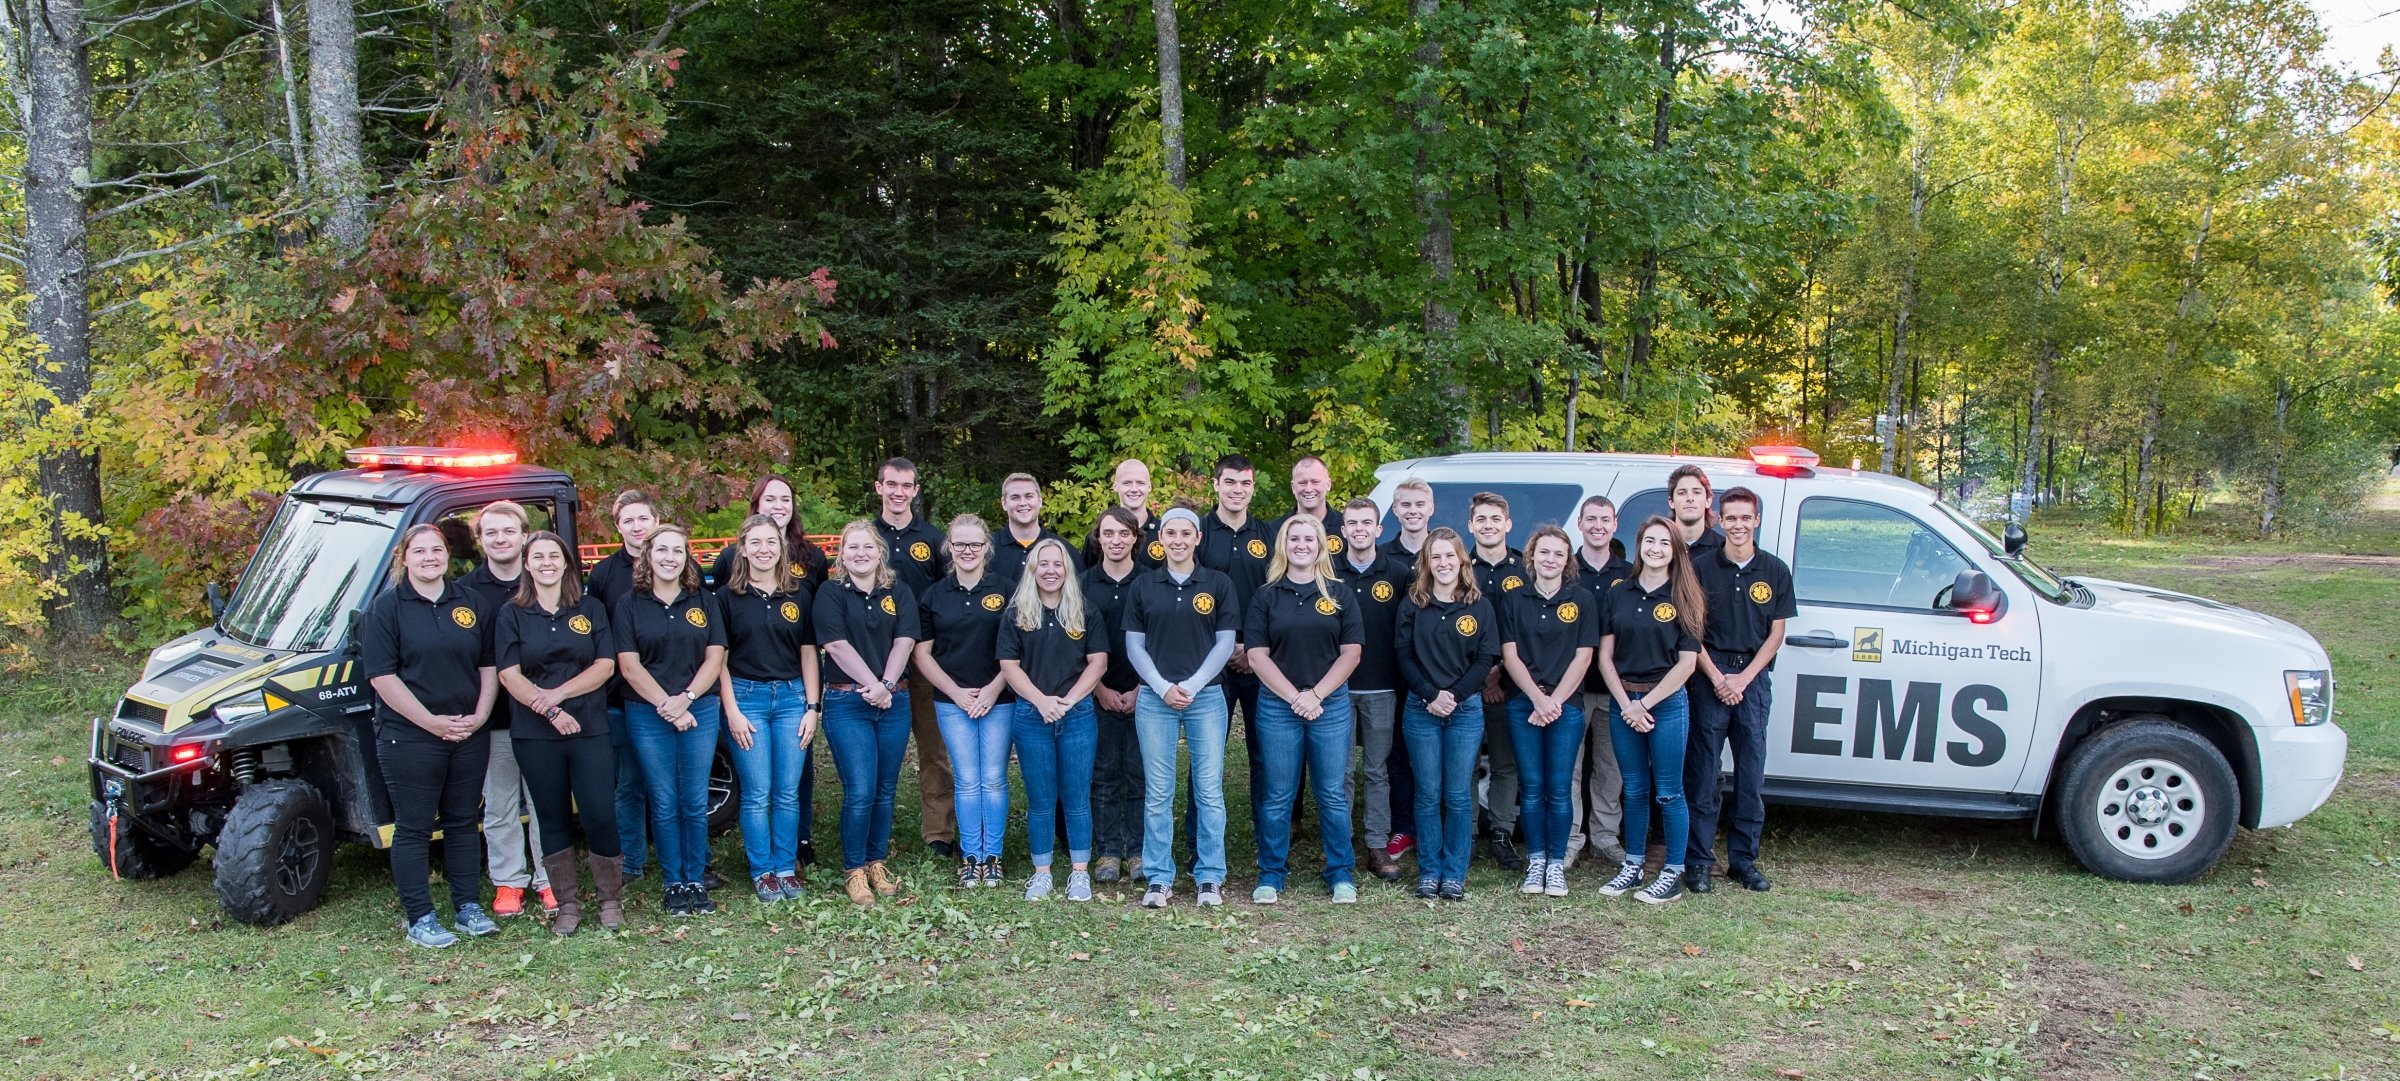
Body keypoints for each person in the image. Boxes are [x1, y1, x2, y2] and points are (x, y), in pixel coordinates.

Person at [362, 524, 501, 948]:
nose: (429, 558)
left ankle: (467, 907)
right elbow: (382, 678)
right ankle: (419, 917)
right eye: (419, 551)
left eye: (436, 550)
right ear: (404, 558)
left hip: (468, 732)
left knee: (463, 822)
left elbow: (488, 667)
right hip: (410, 737)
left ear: (447, 555)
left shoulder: (470, 602)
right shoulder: (385, 610)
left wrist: (479, 716)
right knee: (415, 826)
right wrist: (431, 722)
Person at [493, 530, 624, 934]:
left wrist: (559, 695)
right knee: (550, 817)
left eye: (554, 555)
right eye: (538, 557)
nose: (547, 563)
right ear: (526, 564)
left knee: (600, 814)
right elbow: (508, 675)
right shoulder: (511, 613)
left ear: (566, 562)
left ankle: (610, 900)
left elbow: (605, 666)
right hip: (535, 734)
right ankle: (567, 903)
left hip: (590, 727)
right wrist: (550, 711)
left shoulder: (590, 608)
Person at [1244, 514, 1364, 904]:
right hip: (1278, 707)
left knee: (1331, 793)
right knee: (1278, 795)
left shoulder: (1340, 594)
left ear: (1321, 545)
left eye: (1308, 538)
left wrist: (1316, 695)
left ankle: (1341, 872)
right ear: (1283, 545)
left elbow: (1351, 653)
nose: (1301, 544)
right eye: (1293, 538)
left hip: (1329, 705)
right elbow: (1257, 656)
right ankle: (1272, 873)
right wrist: (1294, 696)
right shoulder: (1266, 596)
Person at [1124, 507, 1240, 909]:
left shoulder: (1218, 584)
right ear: (1160, 540)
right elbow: (1134, 645)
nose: (1177, 540)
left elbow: (1225, 643)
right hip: (1155, 700)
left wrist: (1190, 685)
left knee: (1208, 790)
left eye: (1185, 533)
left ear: (1197, 538)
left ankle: (1210, 876)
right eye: (1170, 533)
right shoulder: (1144, 586)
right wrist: (1160, 686)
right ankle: (1159, 876)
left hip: (1205, 697)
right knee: (1158, 793)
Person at [613, 523, 728, 917]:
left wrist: (687, 699)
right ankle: (673, 883)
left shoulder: (704, 600)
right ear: (647, 556)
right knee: (663, 801)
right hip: (648, 713)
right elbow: (629, 666)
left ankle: (695, 877)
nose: (669, 558)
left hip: (700, 708)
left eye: (677, 551)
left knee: (694, 799)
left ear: (687, 556)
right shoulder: (629, 604)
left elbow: (715, 657)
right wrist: (668, 705)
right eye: (661, 550)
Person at [1684, 486, 1793, 895]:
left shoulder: (1775, 570)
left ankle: (1743, 862)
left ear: (1757, 521)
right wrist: (1717, 678)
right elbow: (1691, 632)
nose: (1738, 524)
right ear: (1719, 520)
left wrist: (1743, 680)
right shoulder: (1699, 568)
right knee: (1704, 775)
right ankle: (1699, 862)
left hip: (1753, 680)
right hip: (1708, 676)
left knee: (1750, 777)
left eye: (1745, 517)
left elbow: (1776, 633)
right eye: (1730, 517)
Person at [1596, 516, 1706, 905]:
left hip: (1666, 706)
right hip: (1624, 704)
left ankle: (1672, 873)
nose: (1655, 548)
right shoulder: (1618, 593)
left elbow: (1686, 664)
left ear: (1675, 551)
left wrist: (1646, 704)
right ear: (1639, 545)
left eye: (1664, 543)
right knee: (1635, 791)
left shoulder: (1685, 596)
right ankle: (1633, 865)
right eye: (1649, 541)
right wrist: (1628, 705)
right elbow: (1605, 657)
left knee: (1669, 793)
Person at [814, 520, 923, 906]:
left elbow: (905, 639)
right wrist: (873, 687)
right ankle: (854, 869)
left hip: (894, 702)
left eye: (867, 547)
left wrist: (888, 685)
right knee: (860, 791)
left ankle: (877, 862)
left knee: (885, 791)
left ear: (880, 551)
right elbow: (836, 645)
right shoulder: (830, 593)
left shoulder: (898, 590)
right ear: (841, 554)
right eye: (852, 547)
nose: (860, 553)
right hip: (849, 704)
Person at [715, 514, 822, 904]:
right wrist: (732, 711)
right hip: (747, 700)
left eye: (771, 542)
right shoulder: (726, 598)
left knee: (788, 793)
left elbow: (809, 654)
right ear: (742, 548)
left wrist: (813, 706)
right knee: (759, 792)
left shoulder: (799, 595)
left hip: (793, 699)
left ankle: (784, 866)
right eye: (755, 542)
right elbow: (719, 661)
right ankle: (762, 870)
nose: (764, 549)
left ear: (782, 548)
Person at [455, 501, 554, 917]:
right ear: (480, 540)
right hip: (495, 717)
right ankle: (509, 883)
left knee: (545, 802)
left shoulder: (545, 580)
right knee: (499, 806)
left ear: (524, 535)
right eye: (491, 533)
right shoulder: (467, 592)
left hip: (544, 712)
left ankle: (550, 880)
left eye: (508, 531)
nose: (500, 539)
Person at [997, 537, 1109, 902]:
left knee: (1076, 798)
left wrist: (1069, 701)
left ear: (1067, 570)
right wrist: (1041, 701)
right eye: (1042, 564)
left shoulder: (1085, 611)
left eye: (1057, 564)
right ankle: (1041, 873)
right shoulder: (1017, 613)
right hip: (1032, 715)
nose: (1050, 571)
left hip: (1076, 715)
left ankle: (1079, 873)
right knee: (1041, 799)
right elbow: (1009, 666)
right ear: (1032, 569)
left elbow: (1098, 662)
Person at [914, 514, 1017, 888]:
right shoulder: (934, 595)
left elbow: (1019, 648)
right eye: (960, 544)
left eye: (975, 544)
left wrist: (992, 689)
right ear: (949, 548)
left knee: (993, 779)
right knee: (968, 780)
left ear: (987, 548)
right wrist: (956, 693)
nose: (967, 550)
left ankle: (993, 856)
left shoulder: (1007, 589)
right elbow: (923, 655)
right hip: (950, 700)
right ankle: (971, 857)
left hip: (1000, 697)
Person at [1395, 528, 1498, 902]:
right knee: (1426, 795)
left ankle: (1454, 873)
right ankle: (1430, 871)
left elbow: (1485, 660)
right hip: (1421, 710)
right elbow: (1403, 656)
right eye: (1435, 557)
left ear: (1461, 561)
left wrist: (1453, 696)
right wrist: (1430, 695)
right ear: (1426, 562)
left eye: (1449, 556)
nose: (1443, 563)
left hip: (1465, 710)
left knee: (1456, 796)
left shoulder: (1478, 606)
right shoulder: (1412, 604)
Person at [1497, 525, 1597, 898]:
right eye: (1544, 552)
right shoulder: (1513, 600)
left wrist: (1553, 700)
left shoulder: (1582, 600)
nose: (1550, 559)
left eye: (1558, 553)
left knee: (1559, 788)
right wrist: (1537, 699)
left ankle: (1556, 864)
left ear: (1567, 559)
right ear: (1532, 557)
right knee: (1532, 786)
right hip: (1523, 703)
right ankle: (1536, 860)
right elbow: (1510, 655)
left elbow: (1584, 655)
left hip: (1566, 707)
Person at [869, 458, 958, 858]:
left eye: (906, 485)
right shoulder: (865, 537)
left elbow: (948, 598)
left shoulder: (934, 539)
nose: (899, 492)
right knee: (873, 754)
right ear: (879, 487)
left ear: (916, 490)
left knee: (933, 750)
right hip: (873, 659)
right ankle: (872, 834)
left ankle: (938, 832)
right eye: (892, 485)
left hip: (923, 660)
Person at [584, 490, 659, 882]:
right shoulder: (604, 574)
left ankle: (679, 859)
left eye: (642, 518)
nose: (636, 527)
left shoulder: (678, 563)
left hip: (673, 694)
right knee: (628, 783)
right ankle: (631, 860)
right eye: (627, 521)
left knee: (671, 784)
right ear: (618, 527)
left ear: (656, 521)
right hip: (620, 696)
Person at [1196, 455, 1272, 842]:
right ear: (1216, 485)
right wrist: (1226, 648)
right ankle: (1198, 843)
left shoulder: (1268, 535)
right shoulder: (1199, 534)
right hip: (1209, 665)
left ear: (1252, 488)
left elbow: (1276, 597)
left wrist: (1252, 648)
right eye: (1230, 482)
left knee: (1264, 758)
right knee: (1207, 760)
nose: (1237, 490)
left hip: (1261, 663)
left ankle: (1267, 842)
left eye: (1245, 483)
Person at [1338, 497, 1415, 881]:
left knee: (1377, 770)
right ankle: (1341, 844)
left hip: (1383, 688)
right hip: (1336, 688)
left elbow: (1409, 631)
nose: (1359, 529)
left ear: (1379, 529)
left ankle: (1376, 843)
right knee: (1341, 771)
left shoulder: (1399, 573)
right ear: (1343, 530)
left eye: (1366, 523)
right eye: (1352, 523)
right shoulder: (1329, 573)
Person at [1080, 507, 1148, 884]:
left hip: (1144, 694)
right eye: (1109, 534)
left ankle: (1137, 851)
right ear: (1099, 538)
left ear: (1135, 538)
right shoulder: (1083, 584)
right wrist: (1099, 689)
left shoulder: (1151, 582)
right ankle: (1107, 851)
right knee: (1104, 774)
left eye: (1124, 533)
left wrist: (1143, 688)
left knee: (1140, 774)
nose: (1116, 540)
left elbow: (1158, 644)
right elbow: (1075, 645)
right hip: (1097, 695)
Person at [1465, 492, 1527, 873]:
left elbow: (1530, 630)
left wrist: (1499, 672)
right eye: (1481, 519)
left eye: (1495, 518)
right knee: (1466, 765)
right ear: (1470, 525)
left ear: (1508, 524)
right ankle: (1468, 833)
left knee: (1505, 765)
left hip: (1510, 685)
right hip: (1466, 685)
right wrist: (1479, 676)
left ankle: (1501, 835)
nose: (1488, 524)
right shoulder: (1457, 568)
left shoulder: (1525, 569)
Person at [1569, 495, 1632, 869]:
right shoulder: (1563, 568)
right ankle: (1571, 838)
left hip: (1615, 688)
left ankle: (1605, 838)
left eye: (1604, 519)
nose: (1598, 526)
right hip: (1572, 688)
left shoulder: (1627, 574)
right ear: (1580, 523)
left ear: (1614, 525)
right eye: (1590, 519)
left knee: (1611, 768)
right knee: (1570, 769)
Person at [1378, 478, 1434, 868]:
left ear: (1431, 508)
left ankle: (1438, 827)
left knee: (1435, 757)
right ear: (1394, 510)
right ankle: (1402, 826)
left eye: (1419, 504)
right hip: (1393, 674)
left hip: (1439, 675)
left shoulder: (1446, 552)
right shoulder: (1383, 558)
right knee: (1396, 755)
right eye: (1405, 505)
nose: (1413, 511)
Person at [709, 472, 832, 588]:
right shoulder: (730, 557)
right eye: (769, 499)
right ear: (757, 505)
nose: (779, 506)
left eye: (785, 500)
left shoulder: (814, 557)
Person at [989, 473, 1073, 582]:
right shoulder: (986, 549)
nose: (1023, 503)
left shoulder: (1064, 550)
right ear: (1004, 503)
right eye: (1015, 498)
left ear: (1040, 501)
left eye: (1029, 496)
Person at [1083, 459, 1164, 569]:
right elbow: (1086, 580)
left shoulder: (1164, 533)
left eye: (1140, 483)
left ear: (1149, 487)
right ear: (1115, 486)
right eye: (1127, 483)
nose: (1134, 489)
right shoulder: (1099, 535)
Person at [1668, 464, 1722, 557]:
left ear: (1708, 500)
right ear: (1671, 502)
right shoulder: (1657, 548)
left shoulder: (1724, 550)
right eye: (1682, 493)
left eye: (1696, 492)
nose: (1690, 498)